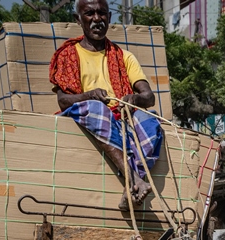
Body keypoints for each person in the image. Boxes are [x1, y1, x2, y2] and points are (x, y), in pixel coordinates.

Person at [49, 0, 162, 210]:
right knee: (97, 109)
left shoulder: (125, 57)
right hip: (87, 116)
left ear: (109, 18)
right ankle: (134, 180)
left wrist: (134, 99)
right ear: (78, 19)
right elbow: (63, 101)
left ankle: (132, 189)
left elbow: (149, 97)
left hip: (121, 120)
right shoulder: (67, 55)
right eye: (89, 13)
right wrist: (89, 95)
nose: (97, 19)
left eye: (102, 13)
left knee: (150, 120)